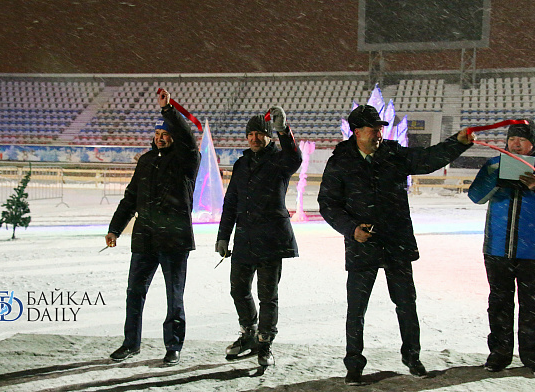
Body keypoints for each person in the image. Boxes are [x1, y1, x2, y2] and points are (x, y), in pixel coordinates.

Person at [317, 104, 474, 385]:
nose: (378, 133)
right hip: (362, 244)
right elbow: (328, 204)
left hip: (396, 242)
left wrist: (457, 142)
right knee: (356, 309)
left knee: (406, 304)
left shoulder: (394, 154)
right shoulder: (340, 161)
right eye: (372, 129)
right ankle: (354, 364)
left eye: (380, 128)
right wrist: (351, 229)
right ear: (356, 132)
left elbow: (427, 159)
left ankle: (412, 357)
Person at [468, 120, 535, 377]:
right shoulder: (494, 164)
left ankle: (534, 358)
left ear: (533, 142)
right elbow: (475, 196)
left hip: (532, 250)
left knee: (532, 305)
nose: (515, 144)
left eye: (522, 140)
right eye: (512, 139)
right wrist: (495, 181)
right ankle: (499, 355)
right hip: (496, 248)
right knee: (499, 303)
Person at [105, 88, 200, 365]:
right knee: (134, 293)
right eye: (158, 133)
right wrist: (115, 228)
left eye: (166, 134)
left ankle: (173, 346)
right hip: (144, 238)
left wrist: (169, 111)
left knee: (174, 297)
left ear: (174, 137)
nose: (160, 138)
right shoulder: (146, 161)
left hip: (174, 240)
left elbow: (188, 139)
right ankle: (130, 343)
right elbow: (130, 198)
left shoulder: (186, 160)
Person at [215, 106, 302, 367]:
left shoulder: (279, 160)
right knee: (238, 289)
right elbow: (231, 202)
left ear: (269, 136)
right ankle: (249, 333)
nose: (254, 138)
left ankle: (265, 342)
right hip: (244, 238)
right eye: (250, 134)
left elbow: (294, 158)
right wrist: (223, 236)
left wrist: (283, 129)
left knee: (267, 296)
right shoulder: (241, 164)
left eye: (259, 134)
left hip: (271, 240)